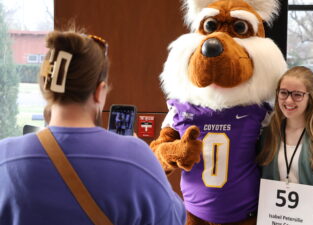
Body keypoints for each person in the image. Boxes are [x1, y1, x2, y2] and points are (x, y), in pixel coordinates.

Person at [0, 30, 186, 225]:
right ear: (99, 91)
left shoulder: (5, 156)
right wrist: (141, 157)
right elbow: (173, 218)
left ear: (45, 88)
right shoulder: (137, 158)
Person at [257, 66, 313, 225]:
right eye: (283, 92)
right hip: (273, 220)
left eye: (297, 95)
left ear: (310, 98)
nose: (289, 100)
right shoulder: (267, 135)